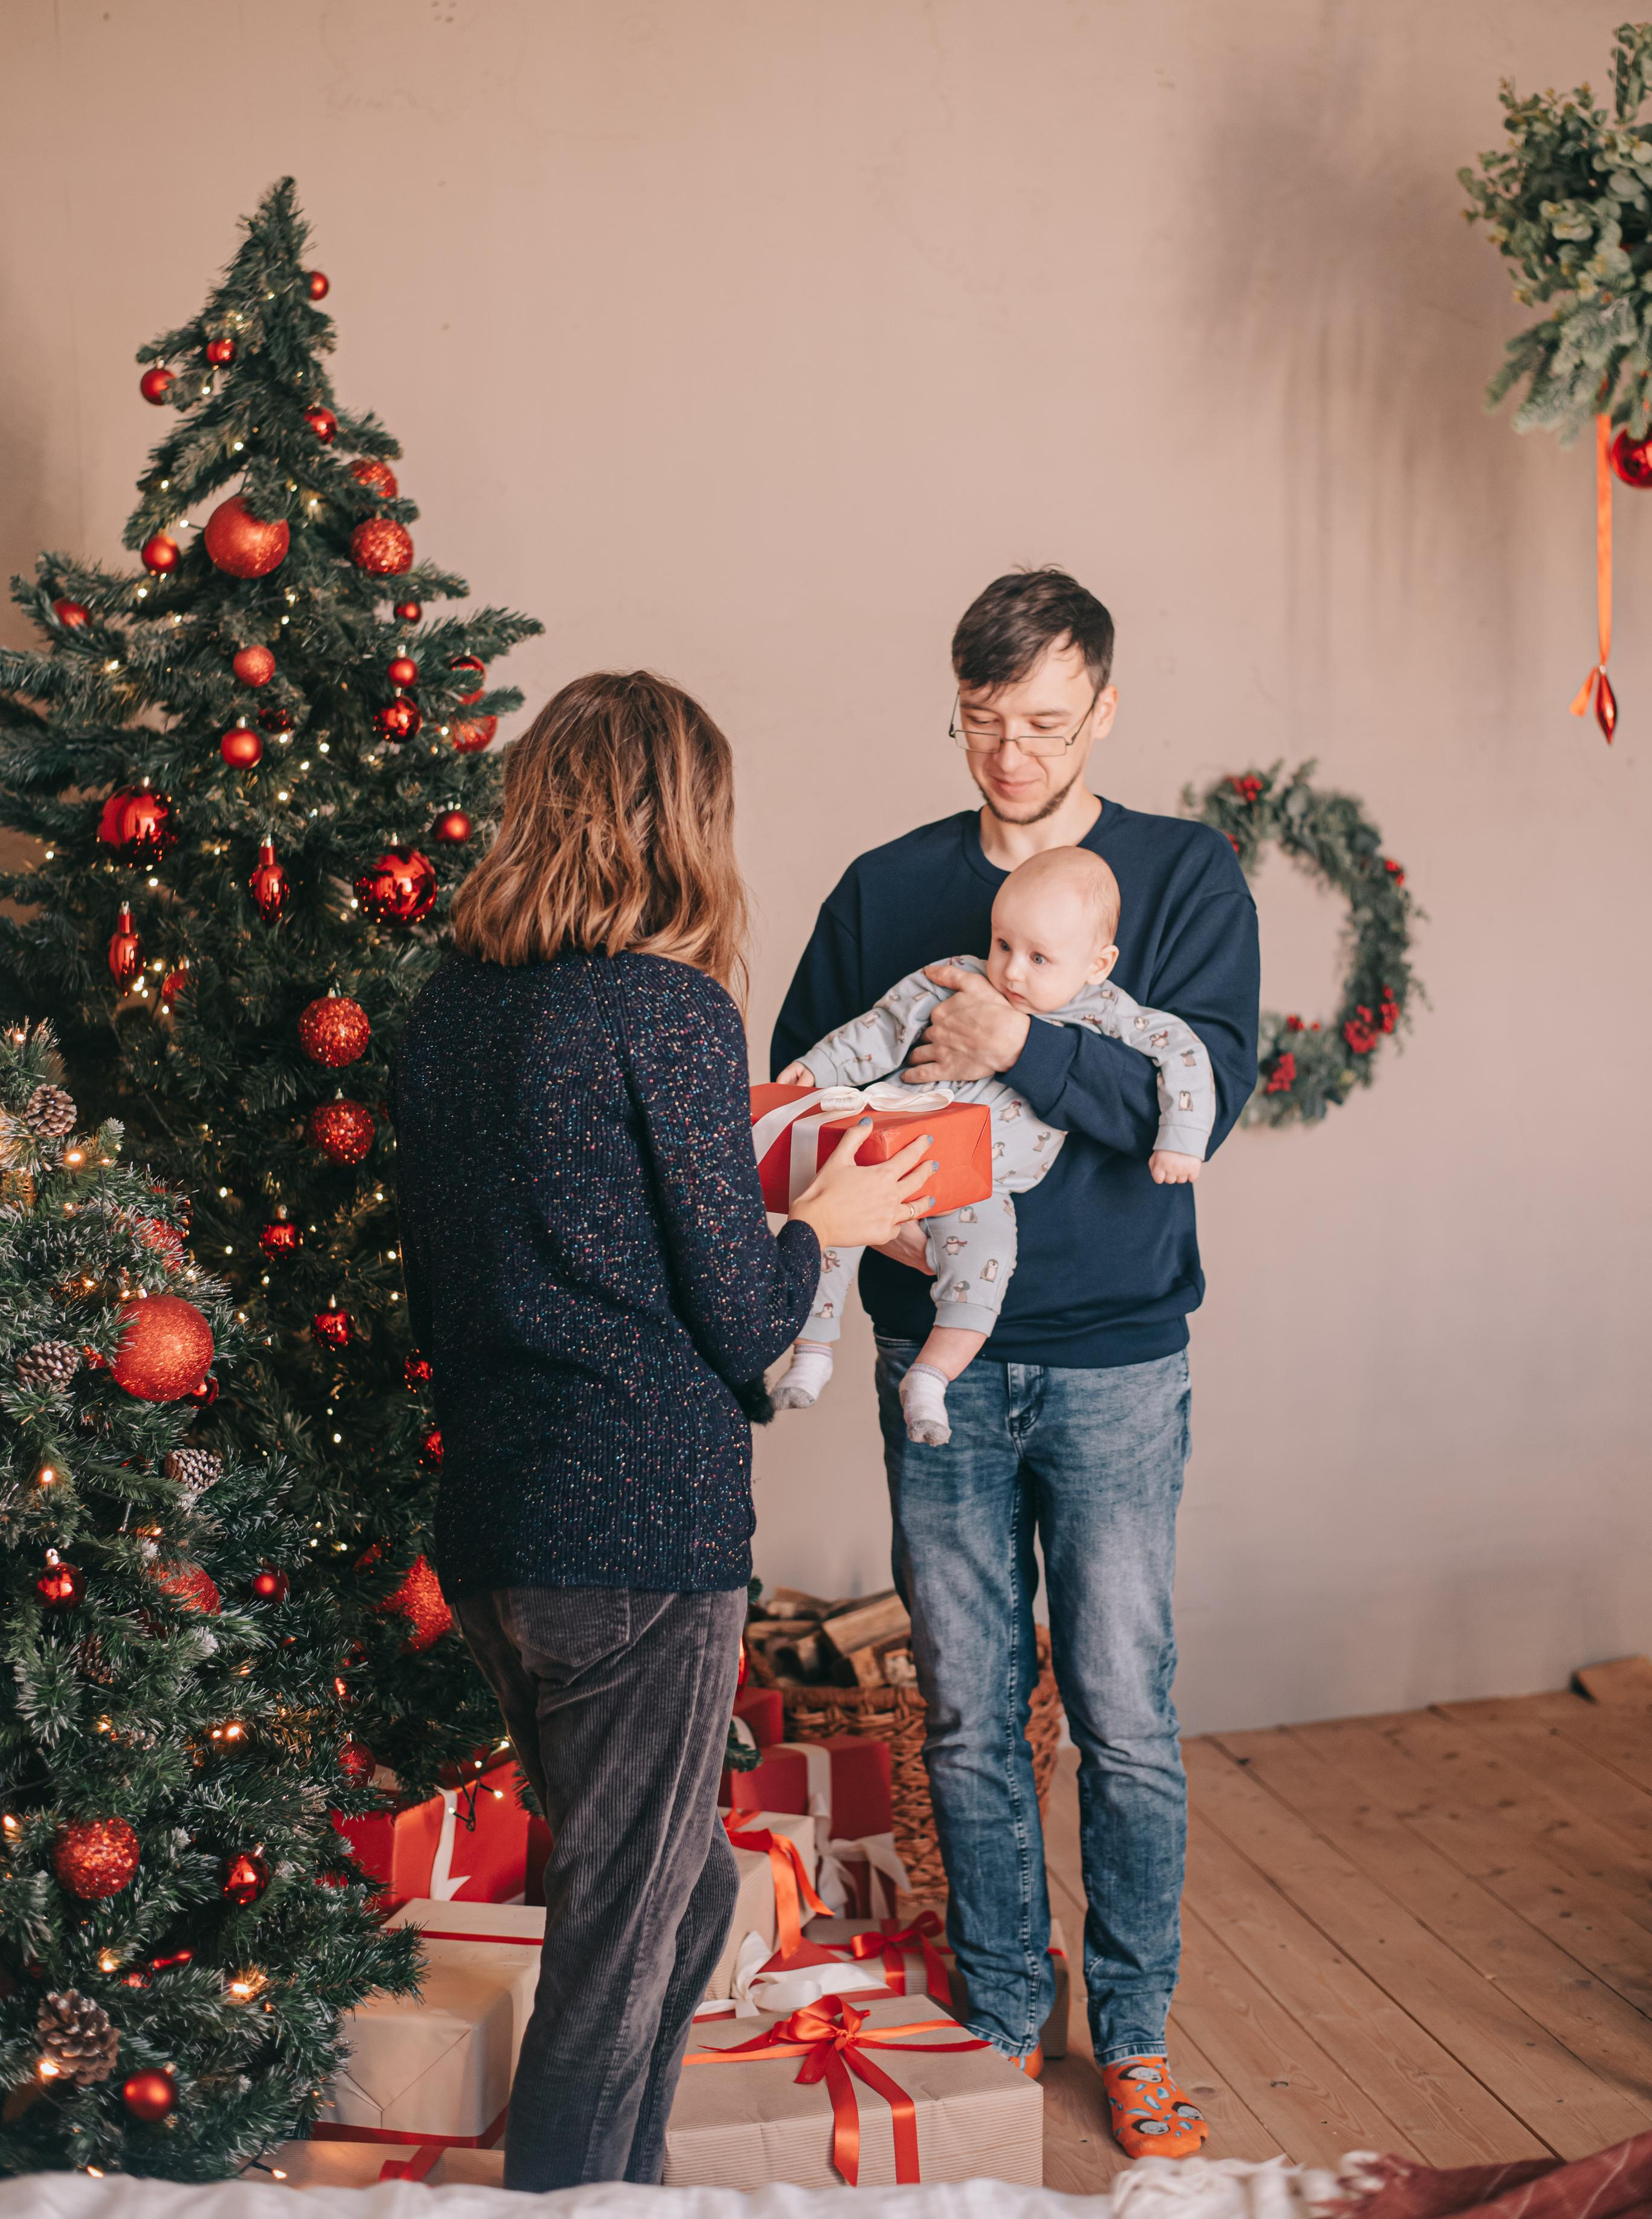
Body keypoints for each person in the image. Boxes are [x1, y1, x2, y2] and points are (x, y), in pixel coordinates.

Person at [394, 670, 937, 2193]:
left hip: (499, 1536)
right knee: (616, 1952)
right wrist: (824, 1219)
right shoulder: (665, 1006)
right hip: (639, 1539)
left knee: (673, 1888)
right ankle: (575, 2192)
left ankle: (618, 2180)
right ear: (680, 821)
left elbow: (435, 1303)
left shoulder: (443, 1015)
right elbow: (748, 1319)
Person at [771, 568, 1260, 2162]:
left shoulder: (1180, 878)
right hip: (940, 1358)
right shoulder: (883, 886)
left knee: (1121, 1707)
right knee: (969, 1712)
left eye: (1042, 723)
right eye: (981, 724)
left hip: (1117, 1360)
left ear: (1101, 710)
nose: (1009, 753)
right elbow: (793, 1097)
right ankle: (995, 2010)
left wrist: (1022, 1045)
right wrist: (871, 1214)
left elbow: (1198, 1104)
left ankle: (1127, 2032)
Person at [772, 844, 1216, 1446]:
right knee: (826, 1224)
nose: (1012, 973)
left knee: (987, 1259)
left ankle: (931, 1377)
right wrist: (815, 1067)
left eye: (1040, 958)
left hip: (982, 1182)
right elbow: (881, 1027)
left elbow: (1184, 1051)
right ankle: (813, 1348)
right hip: (897, 1148)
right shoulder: (960, 976)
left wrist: (1181, 1141)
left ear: (1098, 963)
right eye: (1003, 945)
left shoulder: (1105, 1009)